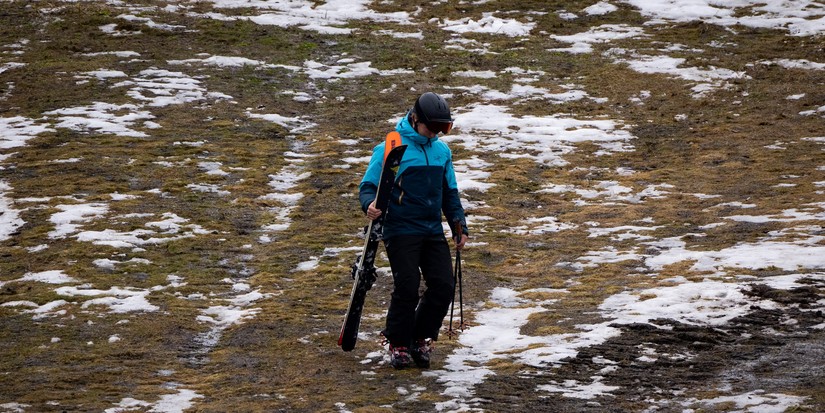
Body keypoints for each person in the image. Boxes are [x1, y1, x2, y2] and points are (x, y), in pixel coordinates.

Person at [359, 92, 469, 369]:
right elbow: (369, 186)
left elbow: (449, 192)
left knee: (443, 285)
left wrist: (459, 225)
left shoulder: (441, 152)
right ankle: (397, 342)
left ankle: (420, 337)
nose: (435, 133)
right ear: (415, 119)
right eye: (432, 127)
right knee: (407, 284)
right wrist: (368, 204)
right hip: (400, 229)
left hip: (431, 229)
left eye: (442, 128)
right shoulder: (391, 147)